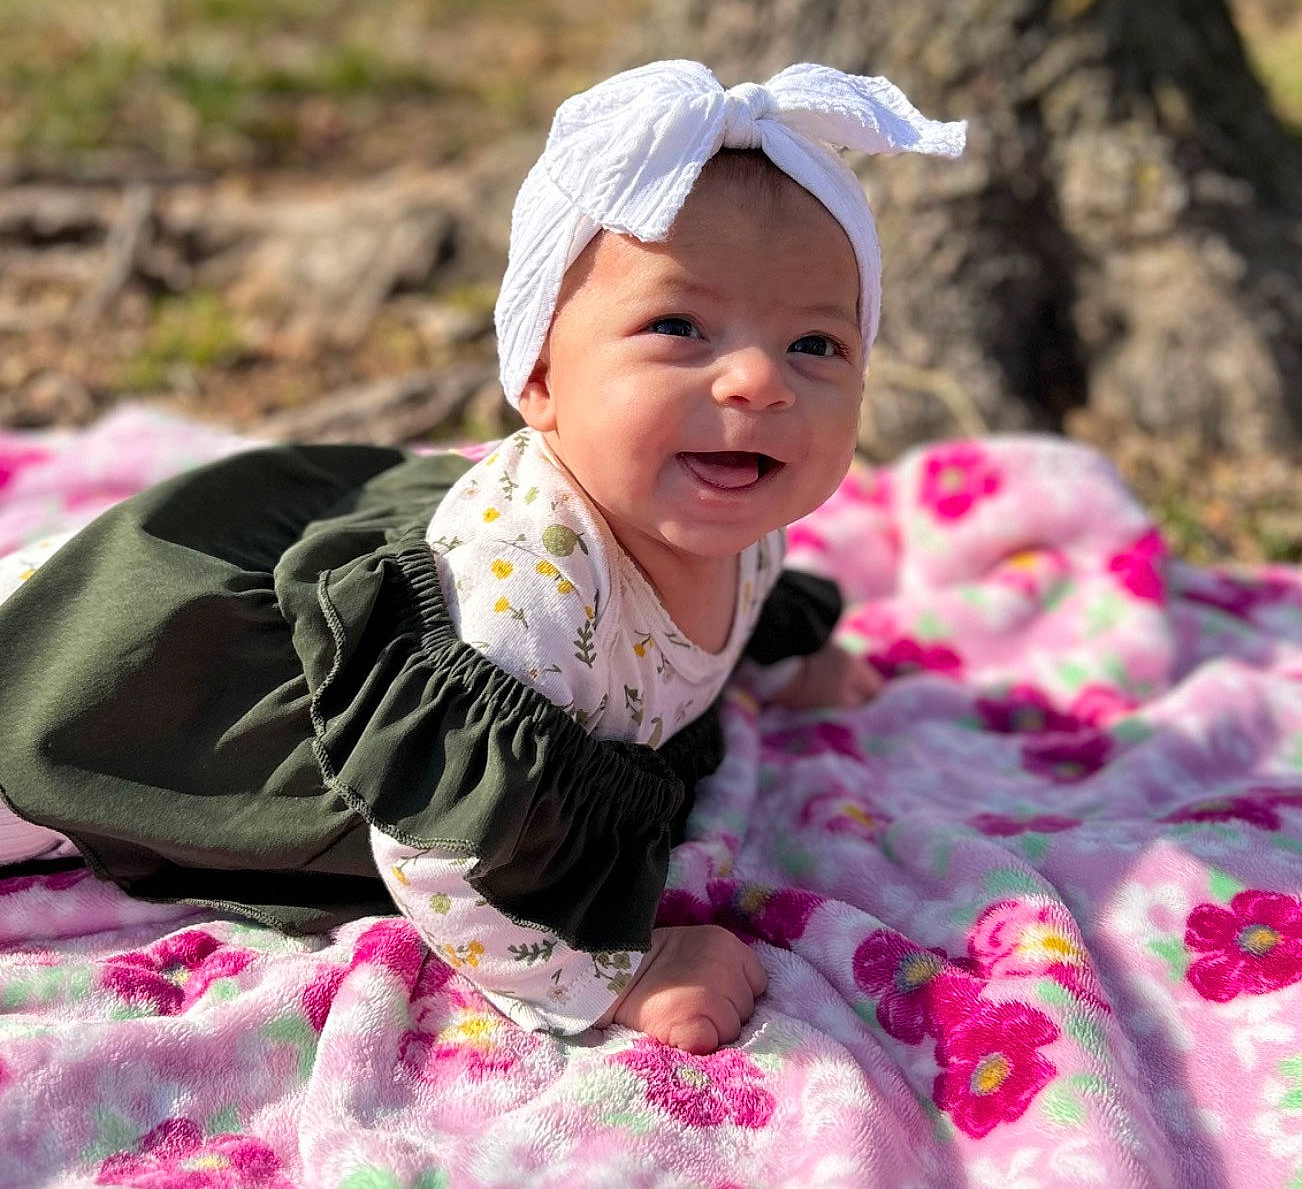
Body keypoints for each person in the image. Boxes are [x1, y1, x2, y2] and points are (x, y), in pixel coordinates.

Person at [0, 61, 965, 1053]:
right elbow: (433, 850)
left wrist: (777, 658)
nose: (760, 380)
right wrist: (606, 978)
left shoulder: (727, 497)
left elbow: (718, 610)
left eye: (815, 344)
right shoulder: (526, 599)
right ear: (538, 378)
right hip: (166, 689)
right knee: (35, 720)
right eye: (678, 326)